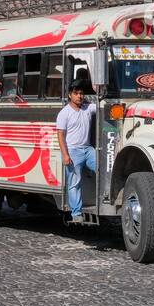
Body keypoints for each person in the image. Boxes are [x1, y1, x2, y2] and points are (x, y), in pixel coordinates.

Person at [56, 80, 97, 222]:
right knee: (74, 182)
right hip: (73, 151)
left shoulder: (88, 108)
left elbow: (102, 105)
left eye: (81, 93)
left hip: (88, 149)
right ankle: (76, 213)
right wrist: (65, 155)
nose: (79, 96)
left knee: (104, 169)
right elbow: (60, 134)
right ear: (69, 95)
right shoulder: (64, 113)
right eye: (76, 93)